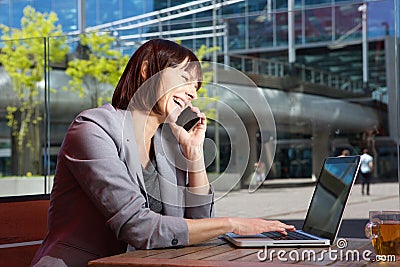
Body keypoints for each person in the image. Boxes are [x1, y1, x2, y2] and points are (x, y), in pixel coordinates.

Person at [31, 39, 294, 267]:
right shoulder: (92, 129)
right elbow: (138, 227)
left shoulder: (166, 144)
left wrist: (194, 156)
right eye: (184, 79)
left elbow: (198, 224)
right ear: (147, 72)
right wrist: (233, 224)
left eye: (196, 87)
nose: (193, 92)